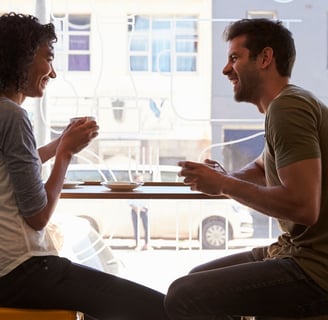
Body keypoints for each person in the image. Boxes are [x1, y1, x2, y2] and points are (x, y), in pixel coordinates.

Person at [0, 12, 169, 320]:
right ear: (21, 57)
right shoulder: (13, 115)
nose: (52, 73)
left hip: (6, 272)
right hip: (21, 270)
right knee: (160, 309)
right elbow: (38, 216)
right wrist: (65, 153)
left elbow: (12, 170)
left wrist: (58, 144)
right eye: (48, 58)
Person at [165, 18, 328, 319]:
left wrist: (224, 185)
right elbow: (260, 168)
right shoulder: (286, 105)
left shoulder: (287, 109)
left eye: (234, 58)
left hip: (315, 271)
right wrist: (222, 177)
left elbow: (304, 207)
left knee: (184, 296)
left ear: (265, 58)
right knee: (193, 279)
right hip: (291, 251)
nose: (226, 70)